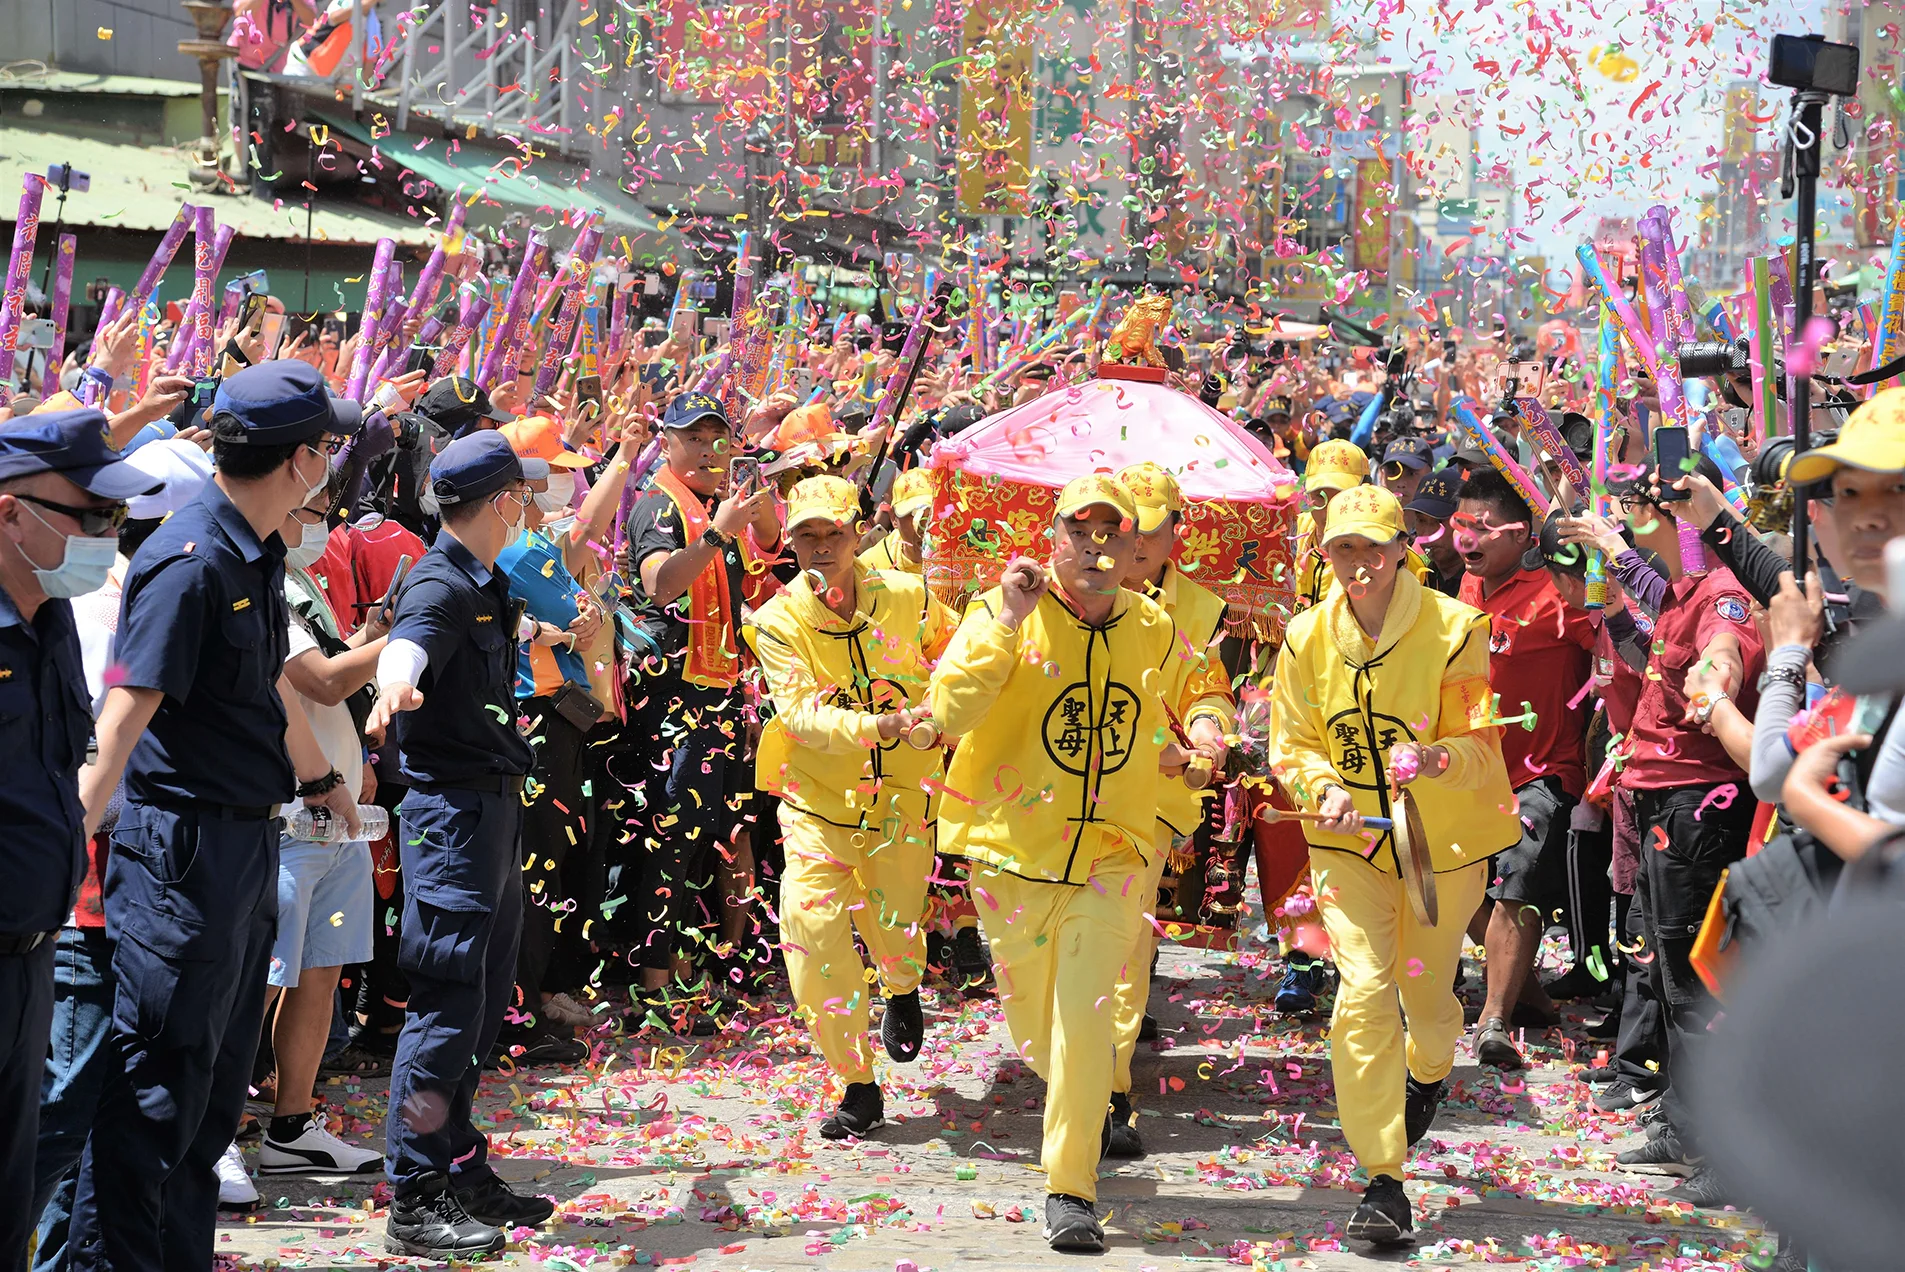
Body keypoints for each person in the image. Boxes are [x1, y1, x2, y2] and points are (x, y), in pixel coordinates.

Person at [70, 362, 362, 1271]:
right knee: (157, 1094)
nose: (329, 466)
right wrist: (56, 849)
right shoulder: (192, 560)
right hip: (182, 854)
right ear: (302, 458)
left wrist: (315, 782)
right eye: (326, 450)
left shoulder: (254, 550)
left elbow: (265, 690)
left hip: (244, 842)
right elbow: (121, 721)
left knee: (208, 1100)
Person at [929, 474, 1227, 1254]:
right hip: (1013, 855)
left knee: (1087, 1020)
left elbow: (1167, 714)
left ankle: (1070, 1186)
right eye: (1079, 531)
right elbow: (950, 711)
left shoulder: (1153, 623)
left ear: (1135, 548)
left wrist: (1192, 750)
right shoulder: (1000, 613)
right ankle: (1075, 1103)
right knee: (1036, 1031)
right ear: (1052, 537)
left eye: (1111, 534)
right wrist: (1006, 618)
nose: (1094, 547)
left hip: (1113, 854)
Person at [1266, 483, 1521, 1245]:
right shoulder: (1304, 636)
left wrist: (1439, 755)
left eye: (1372, 547)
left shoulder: (1454, 629)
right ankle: (1383, 1179)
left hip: (1440, 852)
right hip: (1346, 849)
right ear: (1326, 554)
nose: (1359, 564)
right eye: (1343, 549)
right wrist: (1323, 788)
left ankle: (1431, 1069)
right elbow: (1294, 742)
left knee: (1430, 1005)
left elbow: (1482, 745)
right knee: (1365, 992)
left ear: (1402, 548)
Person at [364, 430, 554, 1254]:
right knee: (444, 1009)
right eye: (524, 496)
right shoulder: (440, 585)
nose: (531, 508)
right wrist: (393, 683)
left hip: (489, 814)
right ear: (502, 502)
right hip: (453, 822)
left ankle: (457, 1162)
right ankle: (414, 1190)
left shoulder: (483, 579)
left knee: (476, 1008)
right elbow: (410, 644)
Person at [1574, 458, 1763, 1202]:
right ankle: (1682, 1123)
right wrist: (1605, 543)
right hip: (1659, 800)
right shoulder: (1686, 585)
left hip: (1696, 805)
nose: (1638, 517)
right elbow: (1654, 593)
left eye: (1648, 505)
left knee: (1694, 982)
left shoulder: (1723, 594)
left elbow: (1722, 645)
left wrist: (1714, 680)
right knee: (1662, 968)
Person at [748, 475, 956, 1138]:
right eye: (804, 534)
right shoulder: (775, 622)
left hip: (902, 799)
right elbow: (800, 716)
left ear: (858, 531)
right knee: (809, 936)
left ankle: (901, 985)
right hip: (816, 804)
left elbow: (958, 664)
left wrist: (941, 717)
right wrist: (877, 728)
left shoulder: (910, 595)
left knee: (894, 923)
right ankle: (857, 1082)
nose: (817, 547)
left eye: (831, 533)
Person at [0, 411, 154, 1272]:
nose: (107, 535)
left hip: (32, 952)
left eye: (116, 519)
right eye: (90, 517)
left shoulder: (50, 619)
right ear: (8, 512)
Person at [613, 391, 779, 1013]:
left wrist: (760, 526)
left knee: (723, 835)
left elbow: (765, 578)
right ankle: (654, 981)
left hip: (723, 696)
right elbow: (660, 585)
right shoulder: (661, 504)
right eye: (696, 439)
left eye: (720, 439)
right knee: (672, 837)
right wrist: (718, 533)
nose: (711, 451)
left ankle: (698, 967)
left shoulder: (720, 508)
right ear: (668, 442)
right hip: (673, 699)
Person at [255, 467, 388, 1176]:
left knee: (320, 973)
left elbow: (337, 679)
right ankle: (216, 1136)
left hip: (337, 819)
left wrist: (368, 635)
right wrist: (399, 644)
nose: (322, 523)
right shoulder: (257, 581)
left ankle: (292, 1123)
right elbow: (319, 681)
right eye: (311, 508)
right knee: (261, 979)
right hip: (288, 814)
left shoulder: (300, 580)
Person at [1106, 462, 1234, 1156]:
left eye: (1148, 532)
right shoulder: (1059, 595)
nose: (1133, 545)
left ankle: (1111, 1089)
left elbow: (1208, 688)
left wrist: (1207, 725)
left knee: (1126, 946)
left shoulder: (1200, 609)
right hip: (1056, 798)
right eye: (1123, 529)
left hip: (1146, 801)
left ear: (1175, 533)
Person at [1453, 470, 1595, 1069]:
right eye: (1461, 525)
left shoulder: (1560, 592)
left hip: (1544, 772)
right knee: (1455, 879)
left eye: (1481, 527)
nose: (1465, 539)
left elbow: (1620, 650)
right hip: (1473, 768)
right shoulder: (1467, 583)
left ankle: (1493, 1020)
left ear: (1521, 533)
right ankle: (1528, 993)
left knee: (1518, 878)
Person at [491, 414, 604, 1066]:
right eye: (559, 470)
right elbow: (578, 618)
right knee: (532, 873)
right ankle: (515, 1015)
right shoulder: (518, 548)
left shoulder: (535, 540)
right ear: (526, 480)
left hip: (553, 720)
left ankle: (525, 1003)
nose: (570, 482)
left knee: (545, 870)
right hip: (533, 722)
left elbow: (585, 615)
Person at [1403, 467, 1464, 597]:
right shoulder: (1412, 572)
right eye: (1421, 520)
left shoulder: (1481, 580)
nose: (1427, 534)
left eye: (1439, 522)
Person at [859, 465, 931, 575]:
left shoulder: (960, 558)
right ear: (893, 518)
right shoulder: (867, 567)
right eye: (913, 514)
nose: (923, 525)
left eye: (932, 513)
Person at [1379, 437, 1434, 507]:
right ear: (1382, 476)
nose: (1401, 484)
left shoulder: (1443, 516)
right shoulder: (1366, 514)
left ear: (1429, 476)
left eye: (1411, 474)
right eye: (1392, 472)